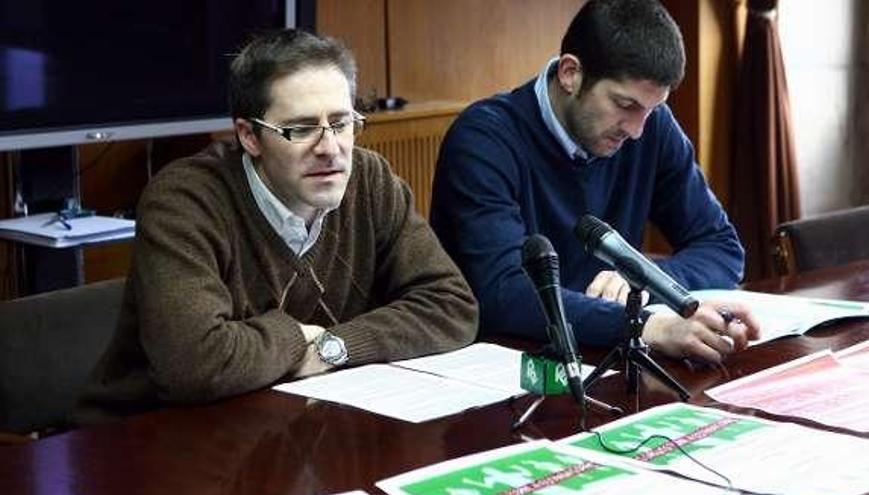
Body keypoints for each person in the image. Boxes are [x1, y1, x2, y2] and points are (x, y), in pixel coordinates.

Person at [77, 29, 478, 423]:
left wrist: (332, 347)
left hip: (291, 424)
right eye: (301, 129)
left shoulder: (369, 180)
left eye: (341, 123)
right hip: (148, 440)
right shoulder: (185, 200)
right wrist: (292, 338)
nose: (330, 148)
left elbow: (451, 305)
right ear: (249, 137)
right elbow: (193, 366)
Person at [430, 0, 759, 366]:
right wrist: (642, 324)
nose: (636, 131)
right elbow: (503, 295)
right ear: (571, 73)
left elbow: (722, 247)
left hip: (613, 362)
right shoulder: (483, 140)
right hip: (506, 370)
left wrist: (643, 280)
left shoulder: (652, 127)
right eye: (625, 105)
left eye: (651, 110)